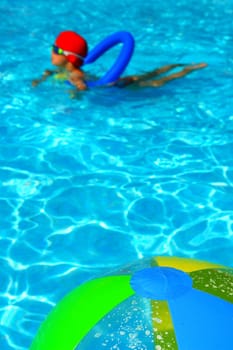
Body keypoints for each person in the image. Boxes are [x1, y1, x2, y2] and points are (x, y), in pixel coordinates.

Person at [32, 30, 207, 90]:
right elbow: (60, 73)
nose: (51, 51)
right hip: (115, 83)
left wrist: (76, 91)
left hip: (118, 88)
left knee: (157, 82)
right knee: (149, 75)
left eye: (56, 49)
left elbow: (81, 86)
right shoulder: (69, 70)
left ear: (68, 57)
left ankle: (188, 69)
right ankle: (176, 65)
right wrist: (45, 76)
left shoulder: (76, 75)